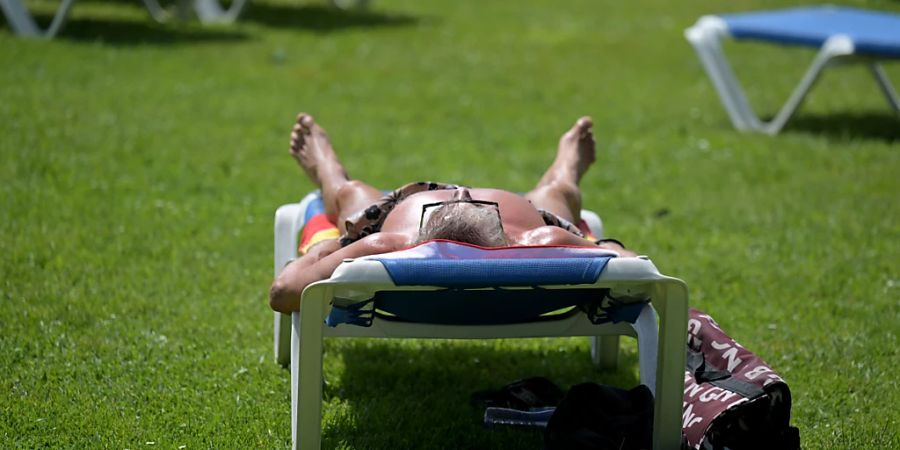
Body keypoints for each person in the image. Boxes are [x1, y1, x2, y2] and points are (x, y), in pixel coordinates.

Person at [269, 113, 635, 313]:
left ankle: (327, 170)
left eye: (449, 201)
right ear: (503, 234)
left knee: (349, 193)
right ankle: (566, 171)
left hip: (389, 211)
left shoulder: (385, 245)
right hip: (533, 216)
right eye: (471, 201)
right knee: (557, 192)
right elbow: (634, 269)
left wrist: (327, 250)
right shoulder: (543, 240)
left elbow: (285, 291)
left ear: (421, 235)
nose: (458, 190)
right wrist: (608, 246)